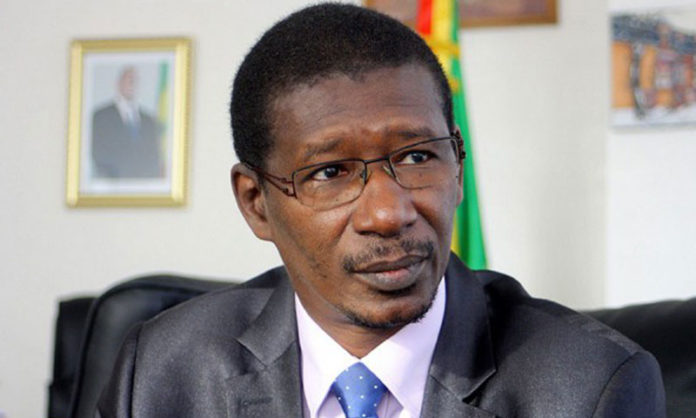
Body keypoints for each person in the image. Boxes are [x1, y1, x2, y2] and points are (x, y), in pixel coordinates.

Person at [97, 4, 665, 417]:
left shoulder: (590, 388)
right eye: (330, 172)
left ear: (458, 166)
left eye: (417, 157)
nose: (389, 214)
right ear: (255, 203)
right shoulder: (163, 375)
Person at [91, 66, 163, 179]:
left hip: (144, 183)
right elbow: (98, 153)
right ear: (118, 84)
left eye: (135, 81)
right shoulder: (101, 116)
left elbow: (154, 157)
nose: (132, 84)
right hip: (113, 183)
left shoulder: (149, 120)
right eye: (129, 80)